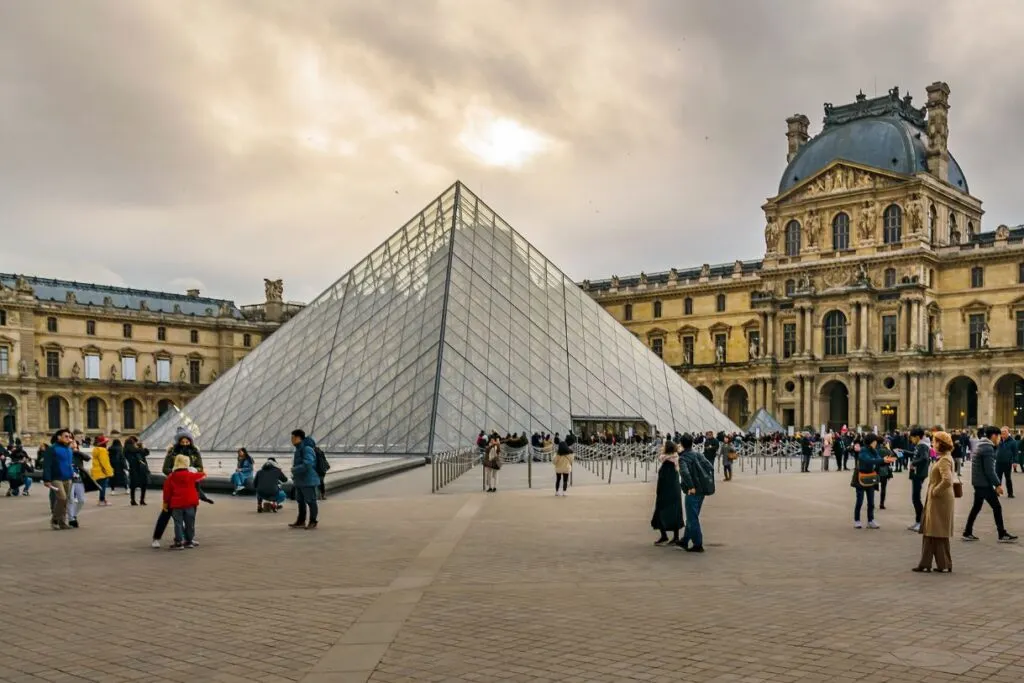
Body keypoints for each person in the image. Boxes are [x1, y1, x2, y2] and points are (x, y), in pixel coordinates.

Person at [152, 427, 211, 549]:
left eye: (187, 441)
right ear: (178, 441)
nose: (185, 444)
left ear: (190, 441)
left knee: (190, 515)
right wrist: (175, 473)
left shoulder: (195, 452)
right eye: (182, 441)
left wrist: (193, 471)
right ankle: (156, 537)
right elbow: (165, 469)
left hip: (191, 486)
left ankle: (188, 539)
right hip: (175, 485)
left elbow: (200, 468)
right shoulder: (172, 453)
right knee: (166, 513)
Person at [963, 425, 1018, 543]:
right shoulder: (987, 448)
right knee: (996, 507)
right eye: (998, 436)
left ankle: (967, 532)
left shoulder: (981, 445)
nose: (999, 439)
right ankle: (1002, 534)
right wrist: (997, 484)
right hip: (983, 483)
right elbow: (989, 470)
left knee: (976, 507)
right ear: (993, 436)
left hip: (978, 482)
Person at [915, 431, 956, 573]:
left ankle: (943, 564)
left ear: (940, 444)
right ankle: (926, 563)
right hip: (938, 499)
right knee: (930, 530)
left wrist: (935, 491)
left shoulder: (944, 460)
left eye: (935, 441)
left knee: (937, 531)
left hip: (940, 500)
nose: (933, 443)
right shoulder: (944, 458)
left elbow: (947, 480)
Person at [677, 433, 715, 553]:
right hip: (702, 490)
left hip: (692, 491)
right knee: (692, 516)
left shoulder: (683, 458)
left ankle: (698, 544)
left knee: (692, 518)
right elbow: (710, 466)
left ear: (682, 444)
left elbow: (685, 473)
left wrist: (691, 486)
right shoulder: (698, 454)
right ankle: (685, 540)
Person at [162, 454, 206, 549]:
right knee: (190, 522)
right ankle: (189, 541)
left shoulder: (171, 477)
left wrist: (165, 503)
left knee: (178, 523)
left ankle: (179, 542)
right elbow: (203, 475)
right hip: (190, 503)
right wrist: (193, 470)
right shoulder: (191, 475)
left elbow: (167, 491)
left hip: (177, 503)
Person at [41, 429, 76, 530]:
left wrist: (72, 473)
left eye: (69, 436)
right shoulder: (52, 449)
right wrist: (46, 479)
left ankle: (62, 522)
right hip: (56, 478)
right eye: (66, 436)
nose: (68, 438)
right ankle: (55, 519)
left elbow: (69, 463)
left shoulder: (69, 449)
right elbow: (47, 465)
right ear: (59, 437)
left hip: (68, 477)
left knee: (65, 501)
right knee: (62, 498)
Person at [651, 442, 683, 546]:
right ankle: (675, 537)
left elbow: (663, 479)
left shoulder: (667, 462)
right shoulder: (675, 460)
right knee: (675, 512)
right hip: (674, 491)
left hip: (665, 492)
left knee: (661, 512)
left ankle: (664, 536)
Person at [288, 429, 320, 530]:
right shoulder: (298, 449)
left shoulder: (307, 449)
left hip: (308, 480)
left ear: (298, 438)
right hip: (300, 480)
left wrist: (294, 470)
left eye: (293, 437)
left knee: (311, 501)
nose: (291, 440)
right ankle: (301, 521)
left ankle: (313, 521)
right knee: (300, 501)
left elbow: (308, 464)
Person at [852, 434, 883, 529]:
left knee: (871, 502)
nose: (876, 443)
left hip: (871, 477)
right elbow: (868, 460)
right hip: (861, 477)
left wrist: (884, 460)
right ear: (871, 442)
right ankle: (857, 520)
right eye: (875, 441)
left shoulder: (874, 450)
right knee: (859, 501)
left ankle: (870, 520)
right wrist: (882, 460)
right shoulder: (863, 450)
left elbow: (878, 459)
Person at [907, 427, 931, 532]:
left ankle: (921, 522)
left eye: (912, 438)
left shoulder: (922, 446)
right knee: (915, 498)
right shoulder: (919, 445)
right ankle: (918, 521)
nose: (911, 440)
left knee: (916, 498)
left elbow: (924, 458)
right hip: (917, 474)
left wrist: (913, 463)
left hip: (918, 474)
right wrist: (903, 451)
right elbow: (916, 455)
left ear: (917, 437)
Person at [124, 436, 151, 505]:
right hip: (138, 469)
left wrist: (141, 447)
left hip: (135, 469)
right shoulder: (135, 450)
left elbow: (146, 453)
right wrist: (142, 447)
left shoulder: (132, 449)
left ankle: (134, 500)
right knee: (141, 485)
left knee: (134, 485)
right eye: (135, 442)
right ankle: (140, 500)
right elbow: (146, 453)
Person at [90, 435, 114, 506]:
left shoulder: (96, 449)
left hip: (96, 471)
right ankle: (102, 500)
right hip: (102, 471)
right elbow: (105, 463)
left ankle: (102, 499)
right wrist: (110, 472)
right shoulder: (102, 450)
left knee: (101, 486)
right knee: (103, 487)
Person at [996, 427, 1017, 499]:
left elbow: (1015, 453)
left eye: (1004, 431)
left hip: (1007, 463)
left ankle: (1010, 493)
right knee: (998, 478)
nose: (1003, 433)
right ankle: (997, 492)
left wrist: (1015, 462)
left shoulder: (1013, 442)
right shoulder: (998, 440)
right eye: (1001, 432)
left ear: (1008, 432)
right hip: (998, 462)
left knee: (1008, 478)